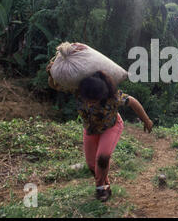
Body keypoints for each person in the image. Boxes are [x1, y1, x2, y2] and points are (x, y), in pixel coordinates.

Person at [46, 64, 153, 202]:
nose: (90, 104)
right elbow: (55, 85)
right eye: (88, 101)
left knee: (103, 157)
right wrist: (52, 73)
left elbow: (132, 101)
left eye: (94, 101)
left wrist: (147, 120)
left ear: (101, 95)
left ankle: (100, 188)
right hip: (91, 130)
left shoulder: (112, 96)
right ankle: (105, 185)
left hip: (111, 126)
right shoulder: (78, 91)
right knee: (92, 165)